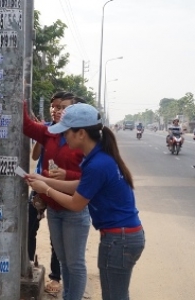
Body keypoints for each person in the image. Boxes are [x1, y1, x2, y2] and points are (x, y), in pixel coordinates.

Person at [25, 103, 145, 300]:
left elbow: (75, 204)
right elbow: (81, 185)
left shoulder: (98, 163)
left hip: (119, 240)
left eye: (66, 132)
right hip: (122, 237)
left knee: (114, 296)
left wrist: (46, 189)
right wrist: (44, 179)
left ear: (81, 133)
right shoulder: (98, 157)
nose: (62, 137)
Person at [23, 94, 90, 300]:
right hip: (53, 208)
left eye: (65, 108)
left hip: (73, 209)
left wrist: (61, 178)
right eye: (56, 108)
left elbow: (90, 178)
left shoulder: (85, 139)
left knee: (75, 263)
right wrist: (20, 92)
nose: (59, 111)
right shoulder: (50, 132)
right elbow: (27, 125)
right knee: (63, 259)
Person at [28, 91, 66, 295]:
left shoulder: (70, 132)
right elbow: (35, 155)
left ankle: (56, 277)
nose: (56, 110)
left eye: (61, 107)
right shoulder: (45, 129)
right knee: (29, 226)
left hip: (57, 188)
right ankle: (28, 263)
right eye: (54, 106)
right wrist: (42, 137)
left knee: (56, 236)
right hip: (38, 186)